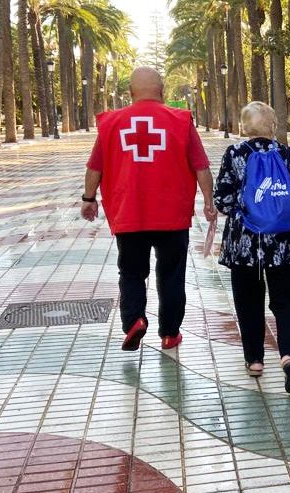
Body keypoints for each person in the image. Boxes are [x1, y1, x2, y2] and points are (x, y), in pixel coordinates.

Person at [81, 66, 216, 352]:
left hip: (128, 213)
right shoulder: (180, 120)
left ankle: (133, 320)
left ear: (130, 93)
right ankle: (169, 333)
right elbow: (201, 166)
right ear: (162, 90)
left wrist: (88, 198)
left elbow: (95, 166)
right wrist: (209, 202)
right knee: (171, 273)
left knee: (131, 272)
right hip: (172, 216)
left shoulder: (112, 123)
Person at [214, 102, 290, 394]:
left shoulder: (235, 154)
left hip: (245, 246)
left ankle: (255, 360)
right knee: (285, 303)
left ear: (245, 127)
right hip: (284, 245)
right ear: (273, 126)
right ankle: (288, 357)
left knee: (249, 303)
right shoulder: (285, 154)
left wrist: (246, 211)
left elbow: (222, 200)